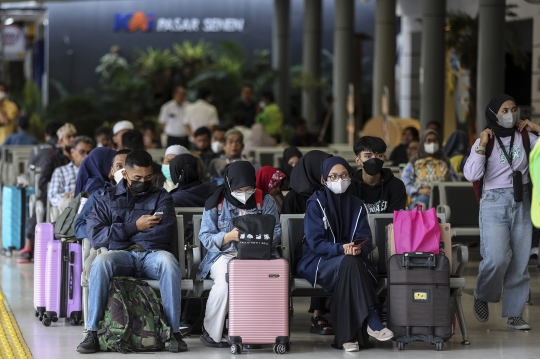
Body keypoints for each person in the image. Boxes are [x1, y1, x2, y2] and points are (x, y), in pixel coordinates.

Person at [77, 150, 187, 354]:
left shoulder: (161, 197)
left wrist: (120, 233)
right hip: (121, 256)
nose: (143, 181)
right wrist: (135, 226)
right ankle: (92, 332)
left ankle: (173, 332)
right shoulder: (105, 198)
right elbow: (97, 237)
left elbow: (163, 233)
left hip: (151, 255)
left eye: (147, 177)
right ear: (125, 174)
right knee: (100, 263)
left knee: (169, 262)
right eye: (137, 178)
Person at [297, 156, 393, 352]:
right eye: (333, 176)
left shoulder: (357, 205)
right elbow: (315, 243)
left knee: (350, 266)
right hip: (318, 261)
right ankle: (372, 319)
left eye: (343, 175)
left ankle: (347, 339)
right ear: (324, 180)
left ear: (350, 177)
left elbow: (365, 238)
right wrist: (341, 249)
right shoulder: (316, 203)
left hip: (350, 261)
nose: (339, 180)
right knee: (350, 264)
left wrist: (358, 248)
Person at [464, 94, 539, 330]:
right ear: (494, 114)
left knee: (519, 261)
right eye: (504, 110)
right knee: (496, 258)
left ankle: (515, 314)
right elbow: (471, 175)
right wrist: (481, 146)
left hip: (523, 199)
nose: (510, 114)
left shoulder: (526, 136)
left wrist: (537, 127)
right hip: (494, 201)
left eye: (514, 109)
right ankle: (482, 293)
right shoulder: (485, 139)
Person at [197, 161, 281, 348]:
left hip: (259, 254)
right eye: (239, 189)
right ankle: (212, 333)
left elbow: (276, 231)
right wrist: (227, 237)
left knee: (265, 281)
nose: (244, 193)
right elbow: (205, 236)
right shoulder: (216, 202)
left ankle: (254, 333)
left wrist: (256, 238)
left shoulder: (264, 200)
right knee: (226, 281)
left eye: (249, 188)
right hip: (225, 255)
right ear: (230, 184)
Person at [281, 150, 334, 335]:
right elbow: (286, 231)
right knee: (321, 257)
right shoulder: (293, 198)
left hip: (325, 247)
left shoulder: (331, 194)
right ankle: (318, 314)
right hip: (298, 252)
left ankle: (330, 314)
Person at [18, 123, 78, 263]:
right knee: (42, 203)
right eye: (69, 136)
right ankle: (29, 245)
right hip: (55, 193)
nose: (72, 139)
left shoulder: (81, 157)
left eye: (74, 136)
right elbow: (43, 182)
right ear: (60, 141)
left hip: (75, 195)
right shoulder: (53, 159)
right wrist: (59, 193)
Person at [74, 149, 131, 240]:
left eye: (128, 166)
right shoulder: (99, 194)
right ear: (112, 169)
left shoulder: (149, 194)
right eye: (119, 166)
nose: (124, 171)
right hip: (109, 246)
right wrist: (108, 232)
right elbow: (79, 227)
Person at [401, 130, 457, 208]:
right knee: (421, 205)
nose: (432, 144)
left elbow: (453, 180)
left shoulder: (445, 160)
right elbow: (404, 182)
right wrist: (419, 190)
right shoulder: (415, 160)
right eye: (429, 141)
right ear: (423, 143)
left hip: (443, 196)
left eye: (435, 140)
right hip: (421, 195)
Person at [351, 136, 407, 214]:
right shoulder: (350, 186)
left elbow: (396, 218)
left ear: (384, 159)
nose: (374, 160)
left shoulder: (396, 185)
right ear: (358, 160)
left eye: (379, 156)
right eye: (368, 156)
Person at [48, 136, 94, 212]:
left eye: (89, 153)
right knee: (64, 203)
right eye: (82, 152)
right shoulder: (60, 172)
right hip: (70, 205)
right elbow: (53, 197)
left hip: (91, 202)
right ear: (72, 152)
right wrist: (67, 195)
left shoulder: (97, 171)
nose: (86, 156)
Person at [281, 150, 332, 215]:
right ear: (312, 170)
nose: (329, 173)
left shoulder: (331, 193)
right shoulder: (293, 198)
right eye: (323, 169)